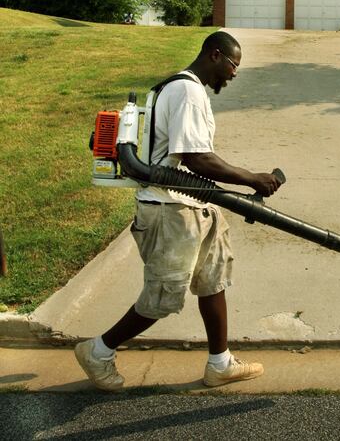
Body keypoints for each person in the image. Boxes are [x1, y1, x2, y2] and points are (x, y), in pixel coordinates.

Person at [75, 31, 282, 391]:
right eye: (234, 65)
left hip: (195, 206)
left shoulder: (181, 88)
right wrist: (252, 179)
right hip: (171, 212)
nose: (233, 75)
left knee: (213, 281)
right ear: (215, 55)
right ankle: (99, 350)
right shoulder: (186, 91)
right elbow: (196, 158)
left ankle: (220, 363)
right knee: (163, 297)